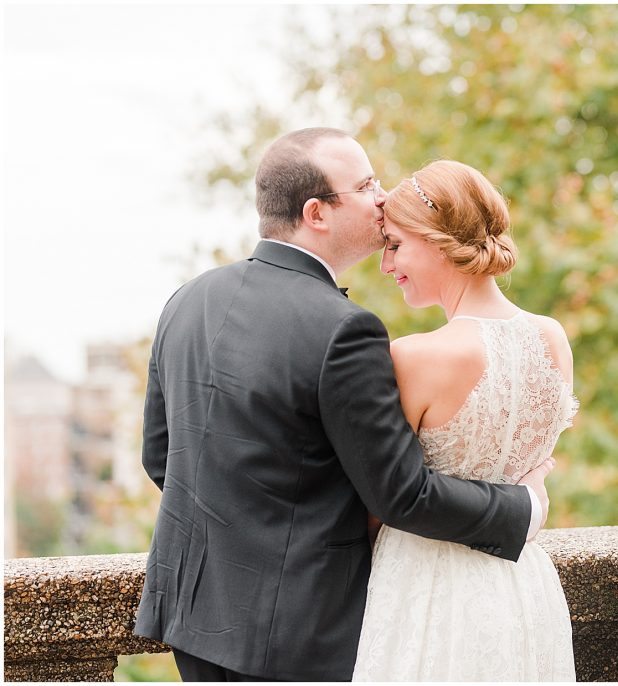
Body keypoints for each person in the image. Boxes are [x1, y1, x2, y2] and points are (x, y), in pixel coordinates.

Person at [133, 128, 555, 682]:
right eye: (365, 184)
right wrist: (524, 507)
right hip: (301, 628)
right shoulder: (344, 329)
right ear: (317, 213)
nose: (382, 197)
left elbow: (161, 457)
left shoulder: (187, 300)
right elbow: (399, 493)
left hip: (192, 617)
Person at [352, 160, 577, 681]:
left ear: (436, 241)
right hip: (523, 586)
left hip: (423, 586)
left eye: (395, 245)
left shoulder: (414, 356)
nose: (387, 266)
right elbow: (535, 466)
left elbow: (381, 500)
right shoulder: (552, 338)